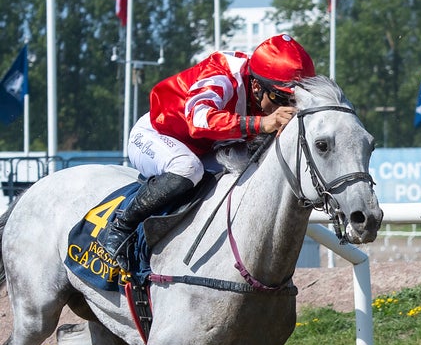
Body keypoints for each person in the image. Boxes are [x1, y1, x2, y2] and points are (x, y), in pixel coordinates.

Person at [98, 33, 314, 261]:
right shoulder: (223, 72)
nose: (286, 107)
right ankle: (120, 227)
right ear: (257, 86)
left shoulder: (264, 88)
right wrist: (261, 123)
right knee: (188, 168)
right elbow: (198, 121)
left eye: (293, 101)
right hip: (158, 135)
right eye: (281, 98)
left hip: (208, 148)